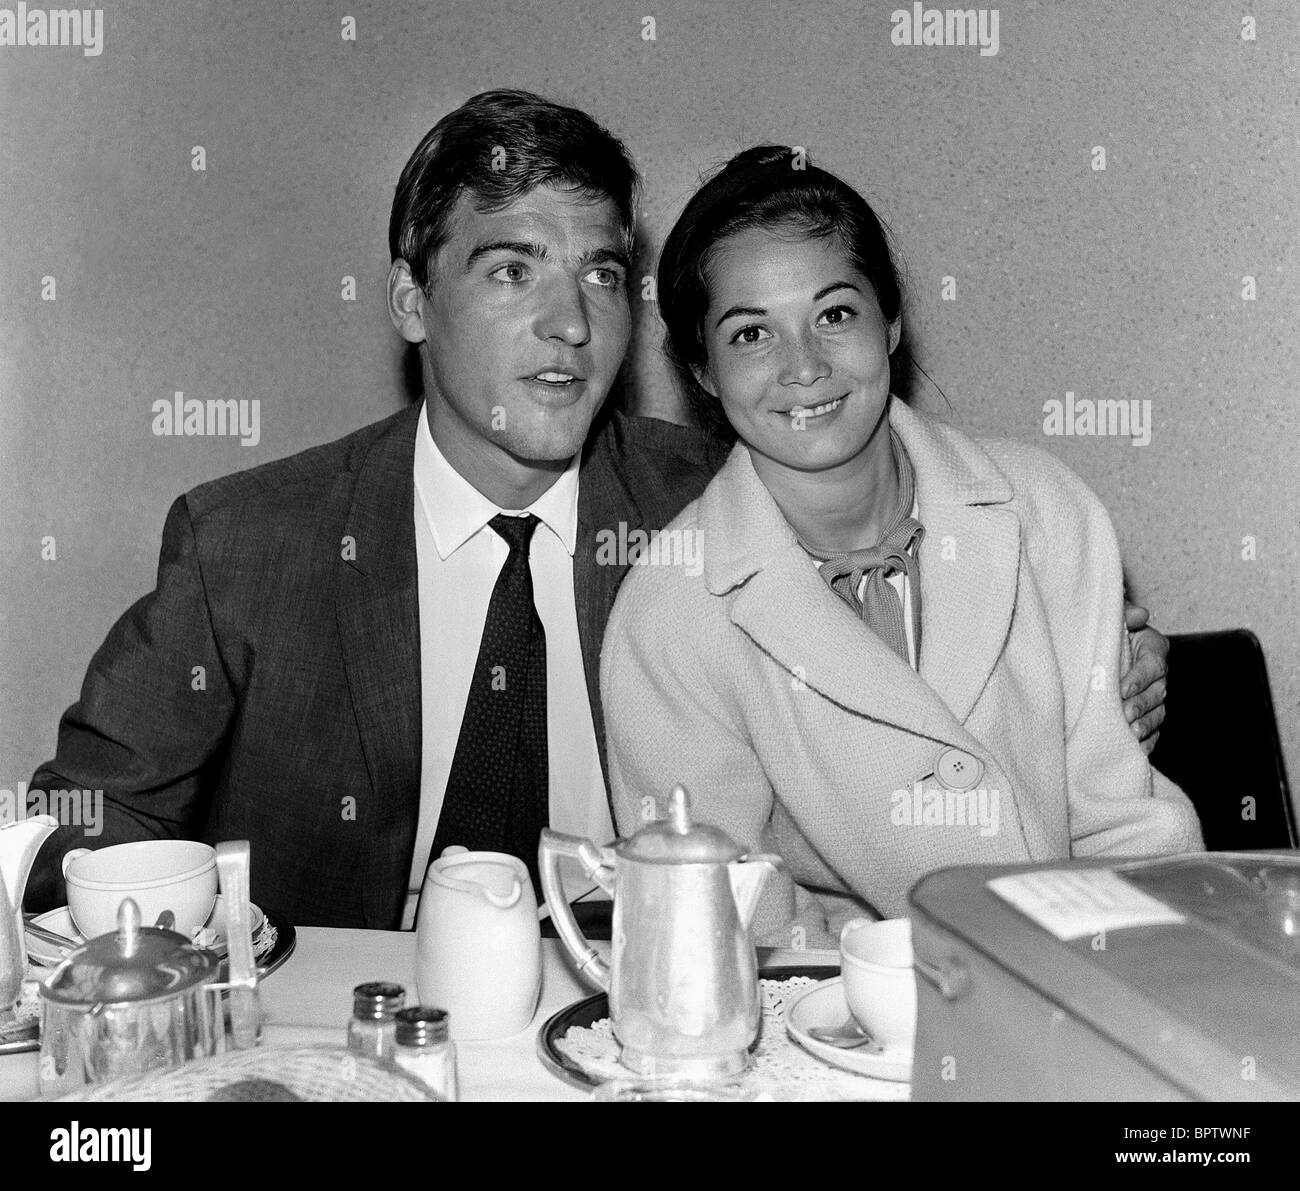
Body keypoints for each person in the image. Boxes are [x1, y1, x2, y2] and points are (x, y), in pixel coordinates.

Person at [24, 95, 1171, 930]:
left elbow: (949, 594)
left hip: (641, 1005)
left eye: (605, 274)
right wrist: (180, 937)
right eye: (512, 271)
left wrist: (1109, 665)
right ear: (412, 300)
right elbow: (80, 815)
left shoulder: (713, 509)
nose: (572, 323)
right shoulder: (250, 543)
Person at [601, 146, 1203, 948]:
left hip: (1077, 985)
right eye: (751, 334)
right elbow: (724, 915)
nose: (805, 366)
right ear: (702, 370)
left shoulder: (1047, 512)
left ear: (890, 322)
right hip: (831, 1026)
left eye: (835, 314)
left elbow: (1124, 824)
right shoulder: (669, 611)